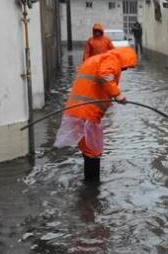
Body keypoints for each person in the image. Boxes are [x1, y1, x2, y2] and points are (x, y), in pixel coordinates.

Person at [54, 47, 138, 182]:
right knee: (93, 152)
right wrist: (118, 95)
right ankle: (92, 186)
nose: (124, 70)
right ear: (125, 59)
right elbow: (105, 75)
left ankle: (89, 191)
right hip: (87, 113)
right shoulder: (112, 60)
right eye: (126, 67)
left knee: (88, 149)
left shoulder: (96, 59)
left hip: (77, 110)